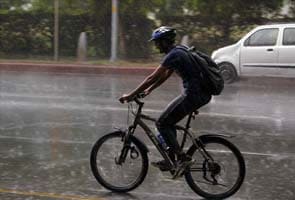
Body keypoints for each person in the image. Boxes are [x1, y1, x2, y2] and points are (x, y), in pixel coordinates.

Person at [119, 26, 212, 172]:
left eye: (157, 42)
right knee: (169, 122)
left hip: (194, 94)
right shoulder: (179, 50)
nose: (156, 46)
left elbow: (152, 77)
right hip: (200, 93)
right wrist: (150, 90)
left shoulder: (173, 55)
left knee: (162, 123)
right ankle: (171, 159)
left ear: (164, 42)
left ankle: (182, 158)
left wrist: (131, 95)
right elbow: (166, 74)